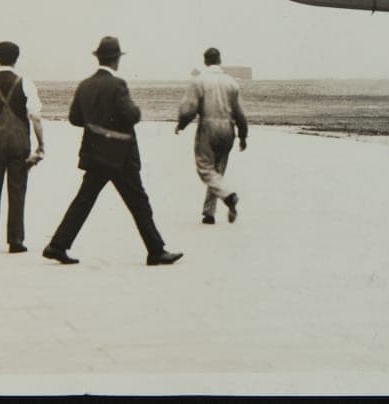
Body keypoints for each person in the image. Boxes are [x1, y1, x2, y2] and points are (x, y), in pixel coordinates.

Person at [43, 36, 182, 266]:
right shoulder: (118, 85)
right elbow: (131, 116)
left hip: (94, 153)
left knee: (83, 201)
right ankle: (156, 251)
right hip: (120, 157)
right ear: (117, 59)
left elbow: (75, 118)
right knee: (139, 202)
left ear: (98, 58)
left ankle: (57, 245)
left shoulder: (85, 85)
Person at [0, 41, 45, 254]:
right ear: (16, 57)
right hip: (19, 143)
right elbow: (35, 116)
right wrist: (41, 144)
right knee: (17, 191)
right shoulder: (26, 83)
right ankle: (16, 240)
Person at [175, 47, 248, 224]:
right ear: (219, 60)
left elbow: (189, 108)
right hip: (228, 128)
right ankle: (209, 212)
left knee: (205, 168)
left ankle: (228, 196)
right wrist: (242, 135)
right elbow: (240, 113)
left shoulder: (199, 81)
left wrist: (182, 124)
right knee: (218, 171)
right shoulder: (231, 82)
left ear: (205, 61)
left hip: (208, 126)